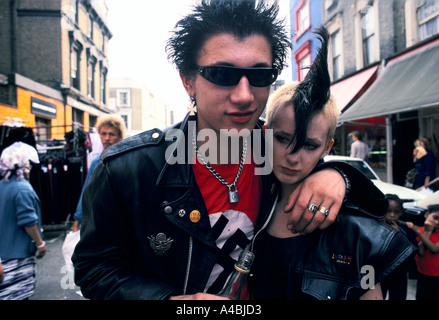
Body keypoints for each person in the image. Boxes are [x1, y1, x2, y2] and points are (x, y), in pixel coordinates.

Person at [72, 1, 388, 300]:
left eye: (260, 75)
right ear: (188, 82)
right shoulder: (127, 170)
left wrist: (337, 176)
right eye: (222, 75)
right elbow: (94, 269)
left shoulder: (276, 151)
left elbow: (370, 208)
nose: (243, 95)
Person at [250, 28, 416, 300]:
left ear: (327, 147)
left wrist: (339, 175)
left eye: (309, 145)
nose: (293, 157)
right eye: (282, 139)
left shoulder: (355, 233)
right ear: (266, 132)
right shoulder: (248, 201)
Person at [0, 145, 46, 300]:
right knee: (19, 294)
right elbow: (28, 221)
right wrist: (40, 244)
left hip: (4, 254)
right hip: (18, 255)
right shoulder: (22, 189)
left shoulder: (2, 186)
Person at [71, 114, 126, 232]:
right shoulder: (97, 161)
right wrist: (78, 219)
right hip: (100, 219)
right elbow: (86, 190)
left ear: (120, 136)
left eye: (111, 134)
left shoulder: (127, 159)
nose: (107, 138)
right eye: (103, 134)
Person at [381, 194, 417, 300]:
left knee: (398, 296)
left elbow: (412, 251)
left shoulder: (405, 229)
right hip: (378, 271)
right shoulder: (376, 227)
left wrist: (399, 235)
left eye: (396, 212)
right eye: (388, 211)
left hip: (398, 271)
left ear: (401, 212)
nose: (392, 215)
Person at [406, 204, 439, 300]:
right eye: (435, 217)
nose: (437, 222)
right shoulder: (420, 230)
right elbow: (421, 252)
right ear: (426, 215)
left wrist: (420, 233)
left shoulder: (419, 231)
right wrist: (427, 232)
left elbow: (434, 250)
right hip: (423, 274)